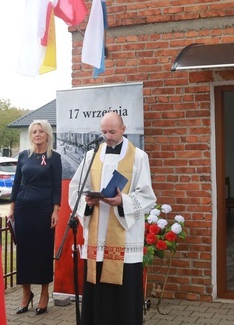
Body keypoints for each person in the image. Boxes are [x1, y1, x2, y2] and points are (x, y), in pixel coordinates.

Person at [68, 112, 156, 325]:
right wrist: (87, 202)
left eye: (112, 131)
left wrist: (122, 201)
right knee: (98, 290)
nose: (107, 136)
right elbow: (76, 189)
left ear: (124, 129)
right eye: (104, 132)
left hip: (124, 237)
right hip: (97, 236)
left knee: (123, 293)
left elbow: (147, 195)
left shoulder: (138, 157)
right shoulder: (92, 157)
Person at [9, 120, 62, 316]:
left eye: (40, 131)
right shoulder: (24, 156)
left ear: (48, 135)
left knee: (42, 252)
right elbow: (16, 183)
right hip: (23, 209)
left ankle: (44, 294)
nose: (37, 135)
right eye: (34, 132)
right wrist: (12, 207)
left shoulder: (54, 158)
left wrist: (56, 210)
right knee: (24, 252)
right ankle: (26, 294)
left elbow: (57, 186)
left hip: (43, 211)